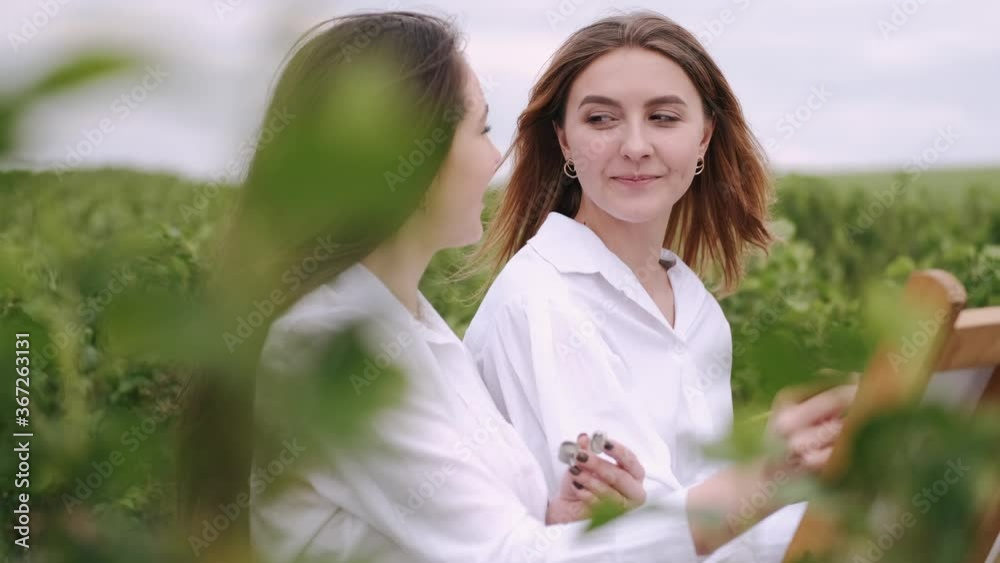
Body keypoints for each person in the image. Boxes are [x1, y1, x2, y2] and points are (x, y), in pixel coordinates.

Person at [180, 11, 731, 563]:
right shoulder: (332, 348)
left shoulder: (413, 332)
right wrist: (761, 487)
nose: (496, 159)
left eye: (662, 116)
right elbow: (506, 555)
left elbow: (491, 535)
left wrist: (558, 519)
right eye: (481, 129)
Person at [464, 11, 856, 561]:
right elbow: (627, 540)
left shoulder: (693, 304)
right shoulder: (542, 305)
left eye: (664, 117)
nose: (635, 145)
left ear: (705, 137)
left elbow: (697, 510)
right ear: (564, 141)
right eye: (601, 119)